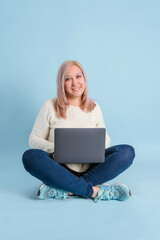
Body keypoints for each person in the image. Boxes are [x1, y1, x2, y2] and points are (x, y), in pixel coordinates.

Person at [22, 60, 135, 203]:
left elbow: (105, 139)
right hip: (59, 169)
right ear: (62, 83)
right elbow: (33, 139)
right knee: (30, 157)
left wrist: (92, 148)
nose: (75, 83)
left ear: (84, 79)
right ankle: (93, 191)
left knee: (127, 152)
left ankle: (65, 189)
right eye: (68, 79)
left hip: (92, 168)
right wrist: (58, 149)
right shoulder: (50, 106)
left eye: (78, 76)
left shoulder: (94, 107)